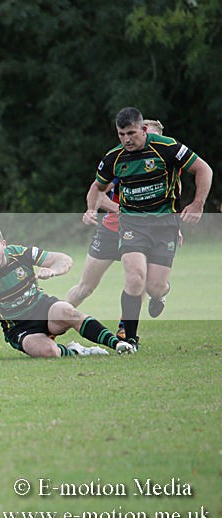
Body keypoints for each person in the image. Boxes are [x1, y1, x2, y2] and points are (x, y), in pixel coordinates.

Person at [85, 107, 213, 351]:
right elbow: (96, 188)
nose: (126, 139)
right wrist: (92, 209)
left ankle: (161, 294)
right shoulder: (114, 158)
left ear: (143, 129)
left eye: (131, 133)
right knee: (134, 277)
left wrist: (197, 204)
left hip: (165, 225)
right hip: (132, 225)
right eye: (121, 134)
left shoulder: (167, 147)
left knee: (154, 286)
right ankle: (128, 338)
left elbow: (203, 169)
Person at [66, 119, 177, 339]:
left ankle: (126, 327)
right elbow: (97, 193)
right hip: (112, 229)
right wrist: (100, 209)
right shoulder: (122, 161)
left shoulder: (165, 161)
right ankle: (51, 321)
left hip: (149, 232)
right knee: (85, 286)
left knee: (140, 277)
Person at [0, 226, 135, 360]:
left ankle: (117, 344)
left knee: (67, 311)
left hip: (43, 309)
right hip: (19, 327)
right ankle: (77, 351)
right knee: (49, 352)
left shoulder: (21, 253)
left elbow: (64, 260)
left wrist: (53, 271)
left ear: (3, 244)